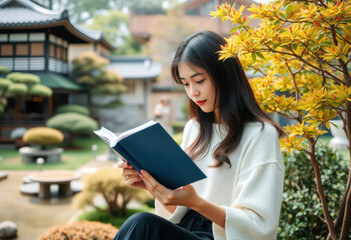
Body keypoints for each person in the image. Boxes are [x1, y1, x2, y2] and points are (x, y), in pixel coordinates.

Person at [114, 30, 285, 240]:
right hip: (187, 230)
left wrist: (195, 202)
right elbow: (179, 214)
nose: (192, 92)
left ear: (224, 75)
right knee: (140, 225)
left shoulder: (260, 135)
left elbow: (260, 227)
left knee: (141, 224)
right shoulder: (194, 128)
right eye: (186, 83)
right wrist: (153, 186)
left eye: (199, 80)